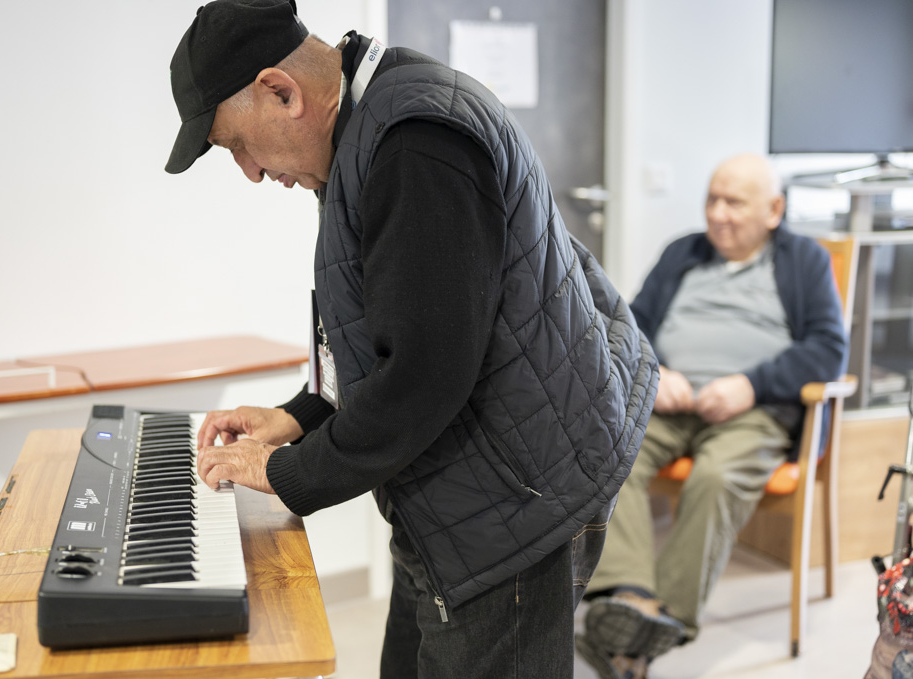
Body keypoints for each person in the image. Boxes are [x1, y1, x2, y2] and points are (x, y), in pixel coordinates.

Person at [163, 1, 658, 677]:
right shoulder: (373, 123)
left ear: (281, 91)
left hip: (514, 500)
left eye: (236, 145)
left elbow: (425, 373)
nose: (249, 172)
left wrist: (284, 472)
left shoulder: (414, 141)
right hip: (471, 486)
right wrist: (298, 417)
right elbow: (389, 332)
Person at [576, 153, 848, 679]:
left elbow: (827, 348)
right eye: (712, 199)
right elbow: (630, 327)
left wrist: (751, 384)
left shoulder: (804, 261)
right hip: (674, 403)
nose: (718, 214)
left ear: (774, 210)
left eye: (734, 203)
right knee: (609, 453)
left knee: (717, 477)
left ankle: (661, 620)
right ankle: (631, 596)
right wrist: (660, 371)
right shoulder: (684, 252)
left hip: (753, 412)